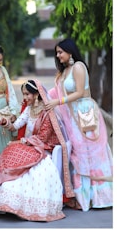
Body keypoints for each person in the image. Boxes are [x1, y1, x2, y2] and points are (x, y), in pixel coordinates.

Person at [0, 79, 75, 222]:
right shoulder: (29, 109)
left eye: (27, 94)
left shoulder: (47, 112)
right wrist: (6, 122)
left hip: (44, 149)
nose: (24, 98)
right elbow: (15, 126)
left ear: (36, 94)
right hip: (30, 146)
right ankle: (9, 202)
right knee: (10, 151)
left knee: (16, 151)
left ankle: (28, 205)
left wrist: (21, 141)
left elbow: (43, 138)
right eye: (23, 94)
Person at [45, 38, 113, 211]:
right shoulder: (65, 70)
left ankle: (98, 197)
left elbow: (81, 92)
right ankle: (83, 196)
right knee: (76, 153)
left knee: (90, 152)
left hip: (84, 113)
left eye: (60, 52)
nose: (58, 55)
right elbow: (57, 91)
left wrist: (57, 101)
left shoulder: (78, 67)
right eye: (56, 53)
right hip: (70, 115)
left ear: (70, 51)